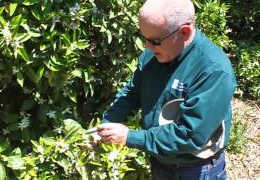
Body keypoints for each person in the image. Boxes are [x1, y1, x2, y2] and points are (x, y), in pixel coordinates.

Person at [94, 0, 237, 179]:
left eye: (154, 41)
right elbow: (131, 93)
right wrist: (106, 124)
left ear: (185, 32)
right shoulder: (154, 54)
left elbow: (191, 136)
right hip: (161, 162)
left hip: (195, 169)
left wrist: (130, 137)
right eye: (145, 38)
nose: (147, 46)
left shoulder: (214, 70)